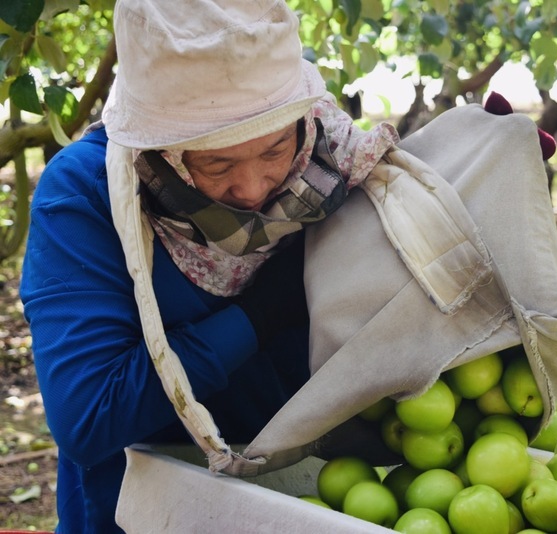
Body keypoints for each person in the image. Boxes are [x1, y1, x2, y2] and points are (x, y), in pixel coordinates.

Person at [19, 1, 399, 532]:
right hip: (144, 514)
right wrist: (259, 316)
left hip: (308, 503)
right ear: (163, 149)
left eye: (274, 148)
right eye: (216, 163)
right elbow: (89, 415)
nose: (253, 189)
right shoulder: (90, 195)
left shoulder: (329, 163)